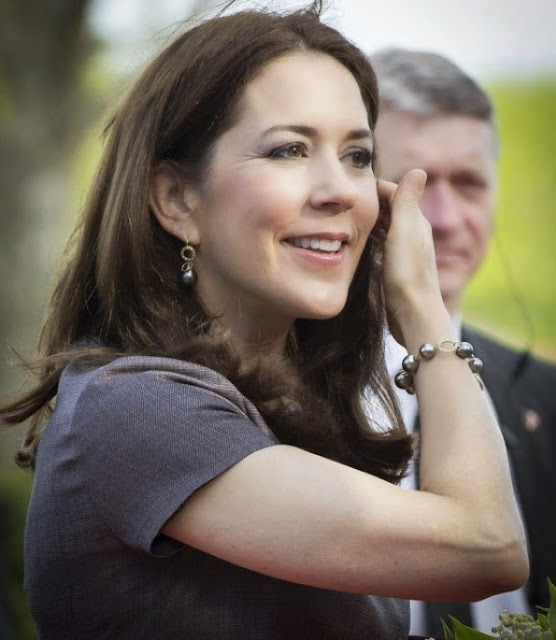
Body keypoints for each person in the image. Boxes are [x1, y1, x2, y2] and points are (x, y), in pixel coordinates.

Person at [0, 4, 528, 638]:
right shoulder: (137, 409)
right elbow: (487, 547)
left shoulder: (293, 406)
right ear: (175, 200)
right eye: (289, 150)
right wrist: (424, 314)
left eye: (358, 156)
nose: (339, 189)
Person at [370, 47, 556, 636]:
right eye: (413, 186)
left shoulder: (549, 400)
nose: (445, 218)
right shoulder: (272, 395)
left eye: (470, 183)